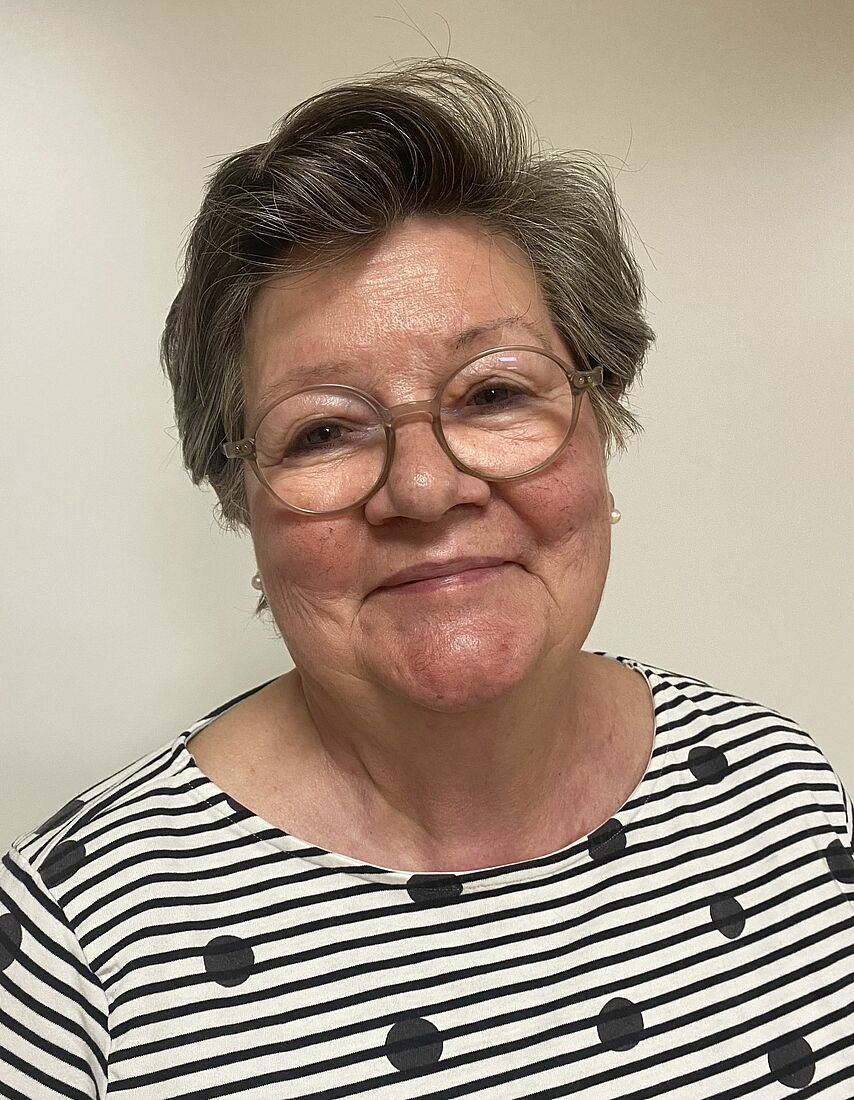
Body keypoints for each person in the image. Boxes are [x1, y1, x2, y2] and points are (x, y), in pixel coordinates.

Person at [2, 59, 852, 1099]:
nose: (422, 487)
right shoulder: (70, 943)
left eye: (492, 394)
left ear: (601, 424)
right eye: (323, 430)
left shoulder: (777, 790)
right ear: (241, 498)